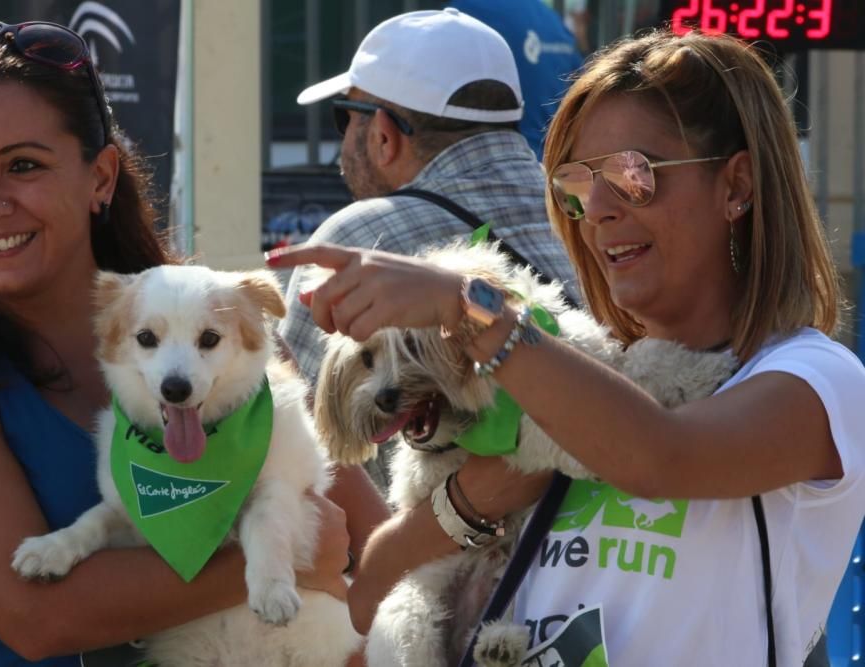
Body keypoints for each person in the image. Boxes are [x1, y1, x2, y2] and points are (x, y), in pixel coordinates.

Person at [267, 28, 865, 665]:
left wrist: (467, 305)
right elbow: (373, 591)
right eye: (576, 186)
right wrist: (474, 502)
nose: (599, 209)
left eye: (635, 175)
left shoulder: (817, 381)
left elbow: (660, 456)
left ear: (737, 185)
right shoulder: (568, 381)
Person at [0, 20, 364, 666]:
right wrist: (288, 558)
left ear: (101, 177)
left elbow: (372, 541)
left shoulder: (222, 334)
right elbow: (41, 615)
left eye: (23, 165)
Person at [278, 8, 579, 490]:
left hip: (427, 549)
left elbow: (301, 450)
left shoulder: (357, 240)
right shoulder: (584, 210)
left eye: (343, 117)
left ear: (381, 133)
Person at [446, 0, 583, 159]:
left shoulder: (466, 12)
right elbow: (580, 87)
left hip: (490, 160)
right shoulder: (552, 20)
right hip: (548, 162)